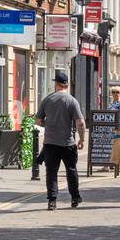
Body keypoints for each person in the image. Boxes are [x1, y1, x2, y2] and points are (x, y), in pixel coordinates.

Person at [35, 70, 86, 209]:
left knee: (51, 172)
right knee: (71, 170)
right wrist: (82, 139)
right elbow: (80, 123)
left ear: (56, 84)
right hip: (67, 143)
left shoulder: (47, 100)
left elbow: (38, 121)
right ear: (67, 85)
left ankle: (52, 201)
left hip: (50, 143)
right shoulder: (72, 101)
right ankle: (75, 198)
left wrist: (49, 124)